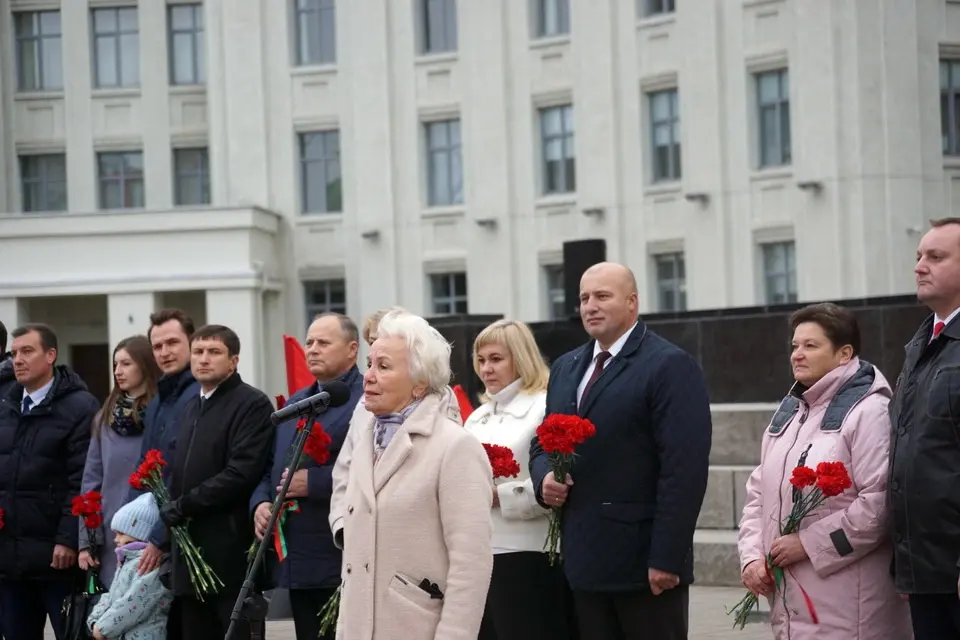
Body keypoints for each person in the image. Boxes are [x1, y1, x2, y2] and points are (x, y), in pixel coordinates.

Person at [528, 262, 712, 640]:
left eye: (602, 296)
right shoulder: (566, 367)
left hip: (644, 565)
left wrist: (667, 557)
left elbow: (683, 470)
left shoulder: (669, 365)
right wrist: (544, 476)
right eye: (583, 298)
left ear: (632, 303)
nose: (590, 306)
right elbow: (542, 441)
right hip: (583, 560)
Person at [737, 303, 911, 639]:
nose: (797, 355)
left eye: (810, 346)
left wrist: (807, 544)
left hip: (850, 607)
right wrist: (752, 558)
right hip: (791, 601)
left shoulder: (869, 411)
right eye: (794, 346)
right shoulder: (789, 414)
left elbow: (879, 505)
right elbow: (758, 492)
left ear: (844, 353)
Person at [336, 310, 493, 640]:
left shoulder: (454, 447)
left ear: (421, 383)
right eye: (370, 364)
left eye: (384, 367)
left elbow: (471, 564)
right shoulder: (365, 441)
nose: (368, 376)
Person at [250, 312, 363, 640]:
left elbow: (375, 470)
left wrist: (312, 483)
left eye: (323, 343)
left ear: (352, 349)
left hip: (339, 555)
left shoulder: (366, 402)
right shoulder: (298, 404)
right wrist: (259, 504)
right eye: (309, 342)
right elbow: (269, 466)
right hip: (297, 559)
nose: (312, 349)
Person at [158, 324, 274, 639]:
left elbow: (241, 473)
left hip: (229, 554)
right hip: (189, 555)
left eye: (214, 352)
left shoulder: (252, 403)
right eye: (198, 352)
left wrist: (183, 505)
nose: (204, 359)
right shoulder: (189, 407)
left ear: (233, 361)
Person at [463, 319, 571, 640]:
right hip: (480, 550)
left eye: (496, 359)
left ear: (521, 358)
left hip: (526, 551)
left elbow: (554, 485)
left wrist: (500, 496)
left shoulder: (544, 407)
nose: (486, 369)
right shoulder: (478, 416)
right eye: (481, 360)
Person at [0, 323, 100, 639]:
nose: (18, 360)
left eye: (27, 351)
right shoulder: (7, 406)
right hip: (10, 560)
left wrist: (69, 538)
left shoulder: (80, 407)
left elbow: (83, 478)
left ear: (51, 355)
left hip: (57, 561)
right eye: (14, 353)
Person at [889, 216, 960, 638]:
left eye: (935, 257)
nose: (919, 266)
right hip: (926, 571)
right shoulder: (922, 343)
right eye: (918, 256)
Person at [129, 308, 199, 640]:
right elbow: (144, 470)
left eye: (173, 342)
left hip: (185, 535)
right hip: (156, 537)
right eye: (158, 346)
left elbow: (186, 474)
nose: (165, 352)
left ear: (191, 342)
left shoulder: (197, 396)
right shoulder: (158, 400)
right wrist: (130, 526)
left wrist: (159, 535)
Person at [79, 335, 161, 589]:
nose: (118, 371)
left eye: (126, 364)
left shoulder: (164, 413)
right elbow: (91, 480)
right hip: (111, 534)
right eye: (116, 364)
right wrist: (86, 542)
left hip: (154, 532)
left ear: (145, 365)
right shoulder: (104, 417)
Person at [87, 492, 173, 640]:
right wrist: (94, 619)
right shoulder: (126, 560)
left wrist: (102, 628)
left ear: (140, 533)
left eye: (121, 534)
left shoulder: (150, 564)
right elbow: (111, 595)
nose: (115, 539)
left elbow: (135, 603)